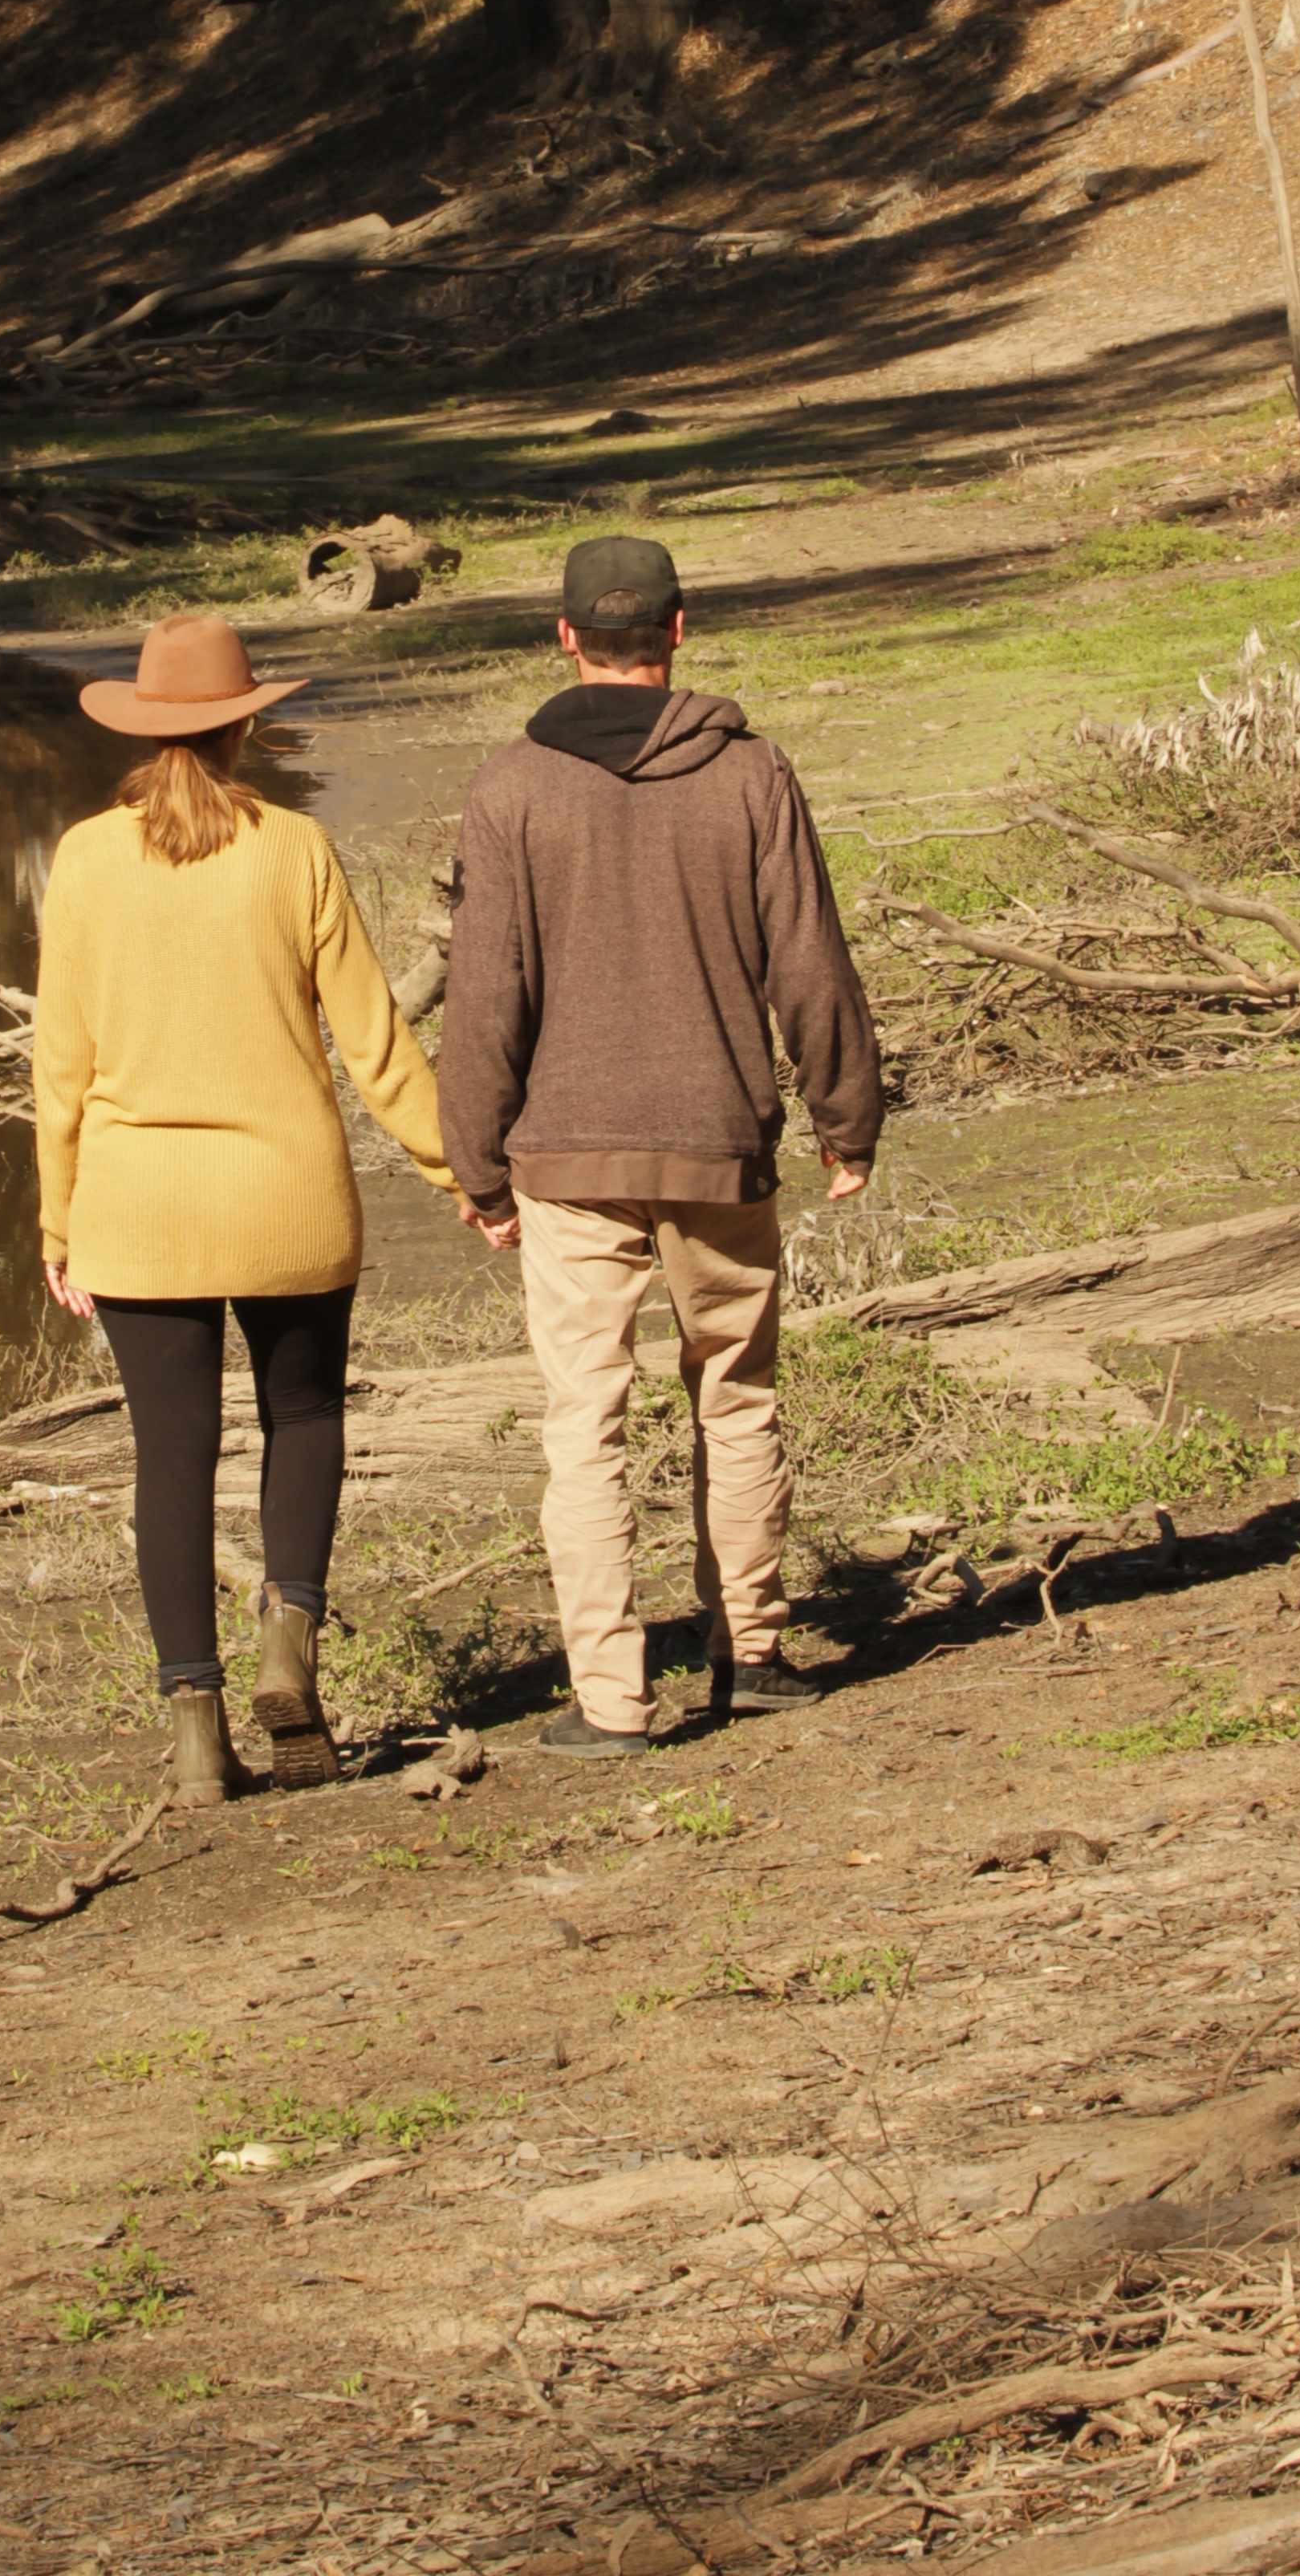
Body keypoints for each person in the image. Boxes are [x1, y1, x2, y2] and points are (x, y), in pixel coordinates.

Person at [438, 538, 882, 1756]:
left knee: (586, 1422)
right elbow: (811, 961)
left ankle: (613, 1704)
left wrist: (475, 1165)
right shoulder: (752, 775)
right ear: (681, 628)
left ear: (564, 638)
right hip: (717, 1140)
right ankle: (752, 1650)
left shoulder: (511, 788)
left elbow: (487, 999)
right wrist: (850, 1119)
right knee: (735, 1399)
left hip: (566, 1160)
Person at [33, 611, 474, 1805]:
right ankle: (290, 1642)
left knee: (168, 1461)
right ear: (247, 724)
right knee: (305, 1418)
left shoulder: (81, 858)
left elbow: (59, 1066)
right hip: (288, 1199)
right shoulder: (296, 851)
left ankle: (195, 1742)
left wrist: (58, 1224)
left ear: (143, 726)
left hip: (136, 1207)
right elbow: (375, 1043)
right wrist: (461, 1174)